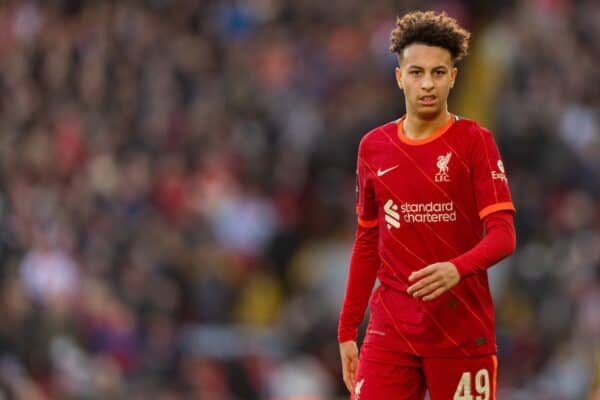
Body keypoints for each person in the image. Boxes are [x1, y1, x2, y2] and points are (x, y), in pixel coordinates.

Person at [338, 10, 516, 399]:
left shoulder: (475, 142)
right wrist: (348, 330)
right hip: (391, 331)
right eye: (416, 72)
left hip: (461, 329)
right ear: (400, 77)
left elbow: (504, 235)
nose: (427, 84)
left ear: (453, 77)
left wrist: (458, 268)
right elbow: (368, 241)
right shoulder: (373, 147)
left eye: (438, 72)